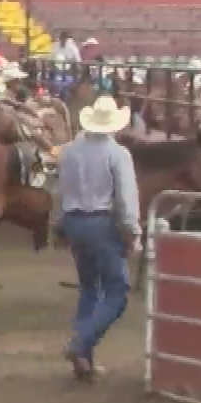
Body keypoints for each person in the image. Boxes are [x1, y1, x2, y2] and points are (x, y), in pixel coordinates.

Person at [55, 96, 141, 382]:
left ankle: (84, 359)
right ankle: (81, 344)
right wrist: (132, 232)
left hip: (74, 220)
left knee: (90, 288)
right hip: (102, 223)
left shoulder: (69, 151)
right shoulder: (118, 154)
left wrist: (61, 225)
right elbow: (126, 199)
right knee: (117, 292)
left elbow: (62, 190)